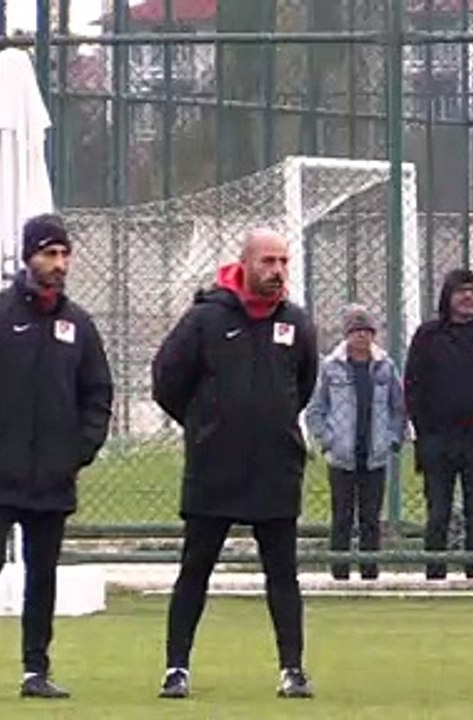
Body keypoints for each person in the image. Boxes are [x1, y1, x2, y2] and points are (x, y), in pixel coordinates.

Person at [151, 228, 319, 700]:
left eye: (283, 262)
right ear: (243, 264)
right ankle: (176, 668)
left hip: (275, 468)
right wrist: (205, 425)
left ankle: (293, 669)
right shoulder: (205, 320)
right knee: (196, 568)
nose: (277, 271)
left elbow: (303, 386)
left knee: (282, 573)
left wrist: (276, 423)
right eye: (267, 261)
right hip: (214, 467)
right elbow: (167, 381)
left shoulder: (298, 325)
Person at [0, 215, 113, 699]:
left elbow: (98, 393)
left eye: (63, 254)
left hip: (52, 477)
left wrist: (78, 450)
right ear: (28, 256)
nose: (58, 264)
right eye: (48, 254)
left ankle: (36, 669)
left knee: (43, 574)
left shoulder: (78, 325)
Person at [405, 269, 473, 581]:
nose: (468, 297)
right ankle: (435, 574)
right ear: (447, 296)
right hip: (438, 441)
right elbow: (413, 386)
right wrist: (424, 432)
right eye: (460, 291)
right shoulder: (428, 336)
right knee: (438, 512)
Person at [306, 304, 407, 581]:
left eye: (367, 331)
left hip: (375, 454)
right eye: (356, 331)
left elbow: (398, 407)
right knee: (341, 517)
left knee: (371, 519)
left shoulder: (385, 367)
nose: (361, 337)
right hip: (342, 456)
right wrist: (327, 440)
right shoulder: (330, 368)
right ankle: (339, 573)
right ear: (346, 335)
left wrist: (393, 439)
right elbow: (316, 408)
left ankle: (369, 572)